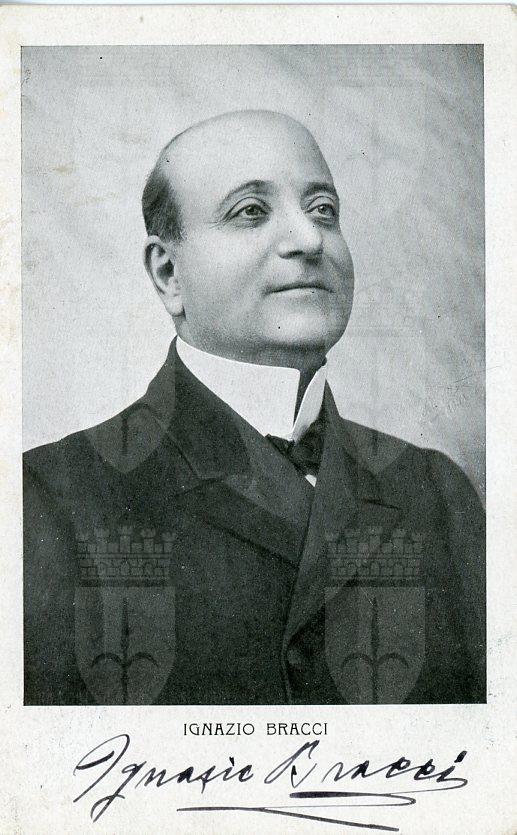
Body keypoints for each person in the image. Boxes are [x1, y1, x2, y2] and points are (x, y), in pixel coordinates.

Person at [23, 110, 485, 705]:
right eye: (250, 211)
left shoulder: (438, 492)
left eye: (323, 210)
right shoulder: (45, 499)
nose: (310, 239)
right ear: (169, 274)